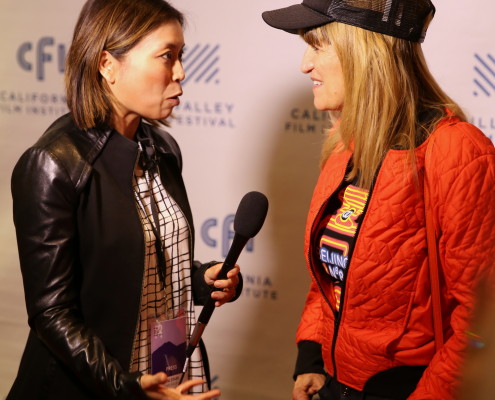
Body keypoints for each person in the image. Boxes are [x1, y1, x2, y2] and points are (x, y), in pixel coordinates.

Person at [8, 0, 241, 399]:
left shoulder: (162, 149)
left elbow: (141, 268)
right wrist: (125, 386)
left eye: (181, 56)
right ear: (107, 64)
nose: (181, 72)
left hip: (164, 372)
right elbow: (52, 313)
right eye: (167, 56)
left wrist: (202, 280)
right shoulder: (53, 163)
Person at [262, 1, 495, 399]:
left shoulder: (457, 150)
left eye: (317, 46)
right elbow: (332, 275)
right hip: (334, 383)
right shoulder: (345, 143)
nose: (305, 64)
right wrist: (313, 355)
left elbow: (483, 319)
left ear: (363, 51)